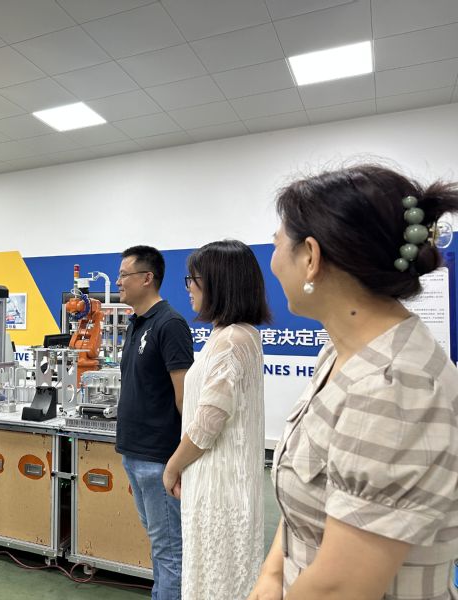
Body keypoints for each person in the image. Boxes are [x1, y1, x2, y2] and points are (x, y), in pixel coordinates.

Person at [248, 164, 458, 600]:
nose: (273, 261)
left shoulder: (395, 387)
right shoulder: (341, 354)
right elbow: (311, 497)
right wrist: (271, 576)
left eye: (277, 243)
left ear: (310, 257)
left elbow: (340, 588)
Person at [162, 240, 270, 600]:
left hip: (220, 489)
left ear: (219, 283)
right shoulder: (233, 335)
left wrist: (172, 467)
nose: (188, 288)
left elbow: (208, 422)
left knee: (217, 584)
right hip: (218, 484)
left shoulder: (232, 340)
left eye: (193, 279)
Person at [115, 245, 194, 600]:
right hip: (135, 454)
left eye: (124, 275)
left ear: (147, 278)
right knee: (160, 544)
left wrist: (180, 460)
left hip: (159, 456)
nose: (118, 282)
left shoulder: (169, 324)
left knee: (170, 551)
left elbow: (185, 398)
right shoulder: (136, 323)